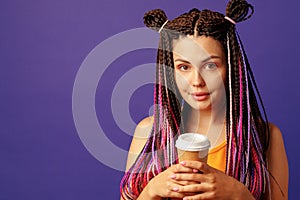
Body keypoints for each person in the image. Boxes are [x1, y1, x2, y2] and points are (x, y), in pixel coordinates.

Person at [120, 0, 289, 199]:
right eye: (184, 67)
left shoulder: (264, 137)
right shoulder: (149, 132)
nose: (197, 81)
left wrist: (238, 193)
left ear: (231, 68)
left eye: (210, 66)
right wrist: (151, 190)